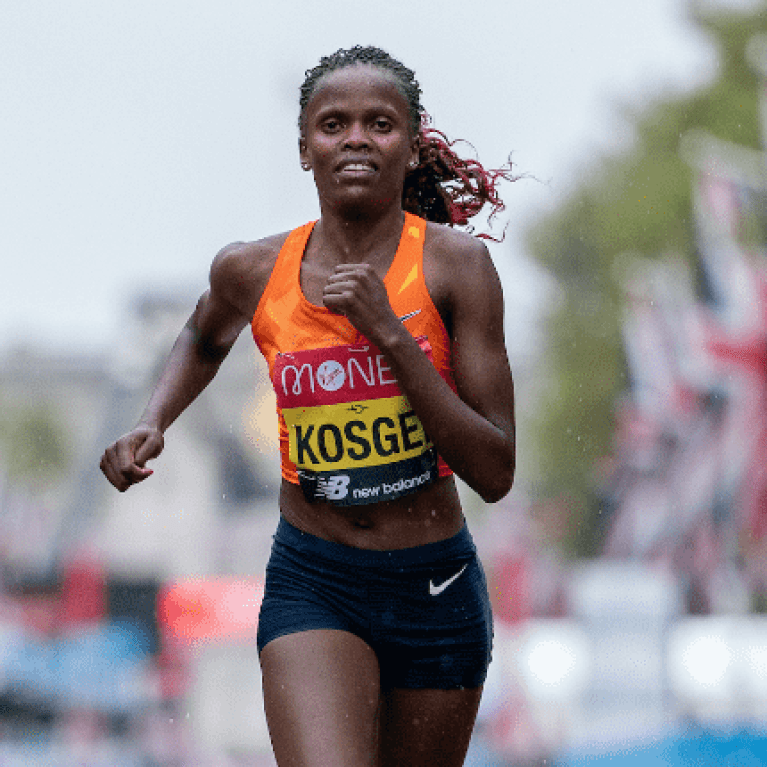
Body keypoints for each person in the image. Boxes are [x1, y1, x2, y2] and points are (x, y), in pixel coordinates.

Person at [100, 45, 516, 767]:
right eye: (333, 124)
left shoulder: (454, 268)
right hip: (315, 579)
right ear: (303, 148)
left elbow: (495, 468)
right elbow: (203, 333)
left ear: (411, 144)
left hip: (433, 584)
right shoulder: (253, 269)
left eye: (379, 124)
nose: (355, 138)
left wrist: (390, 333)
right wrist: (152, 419)